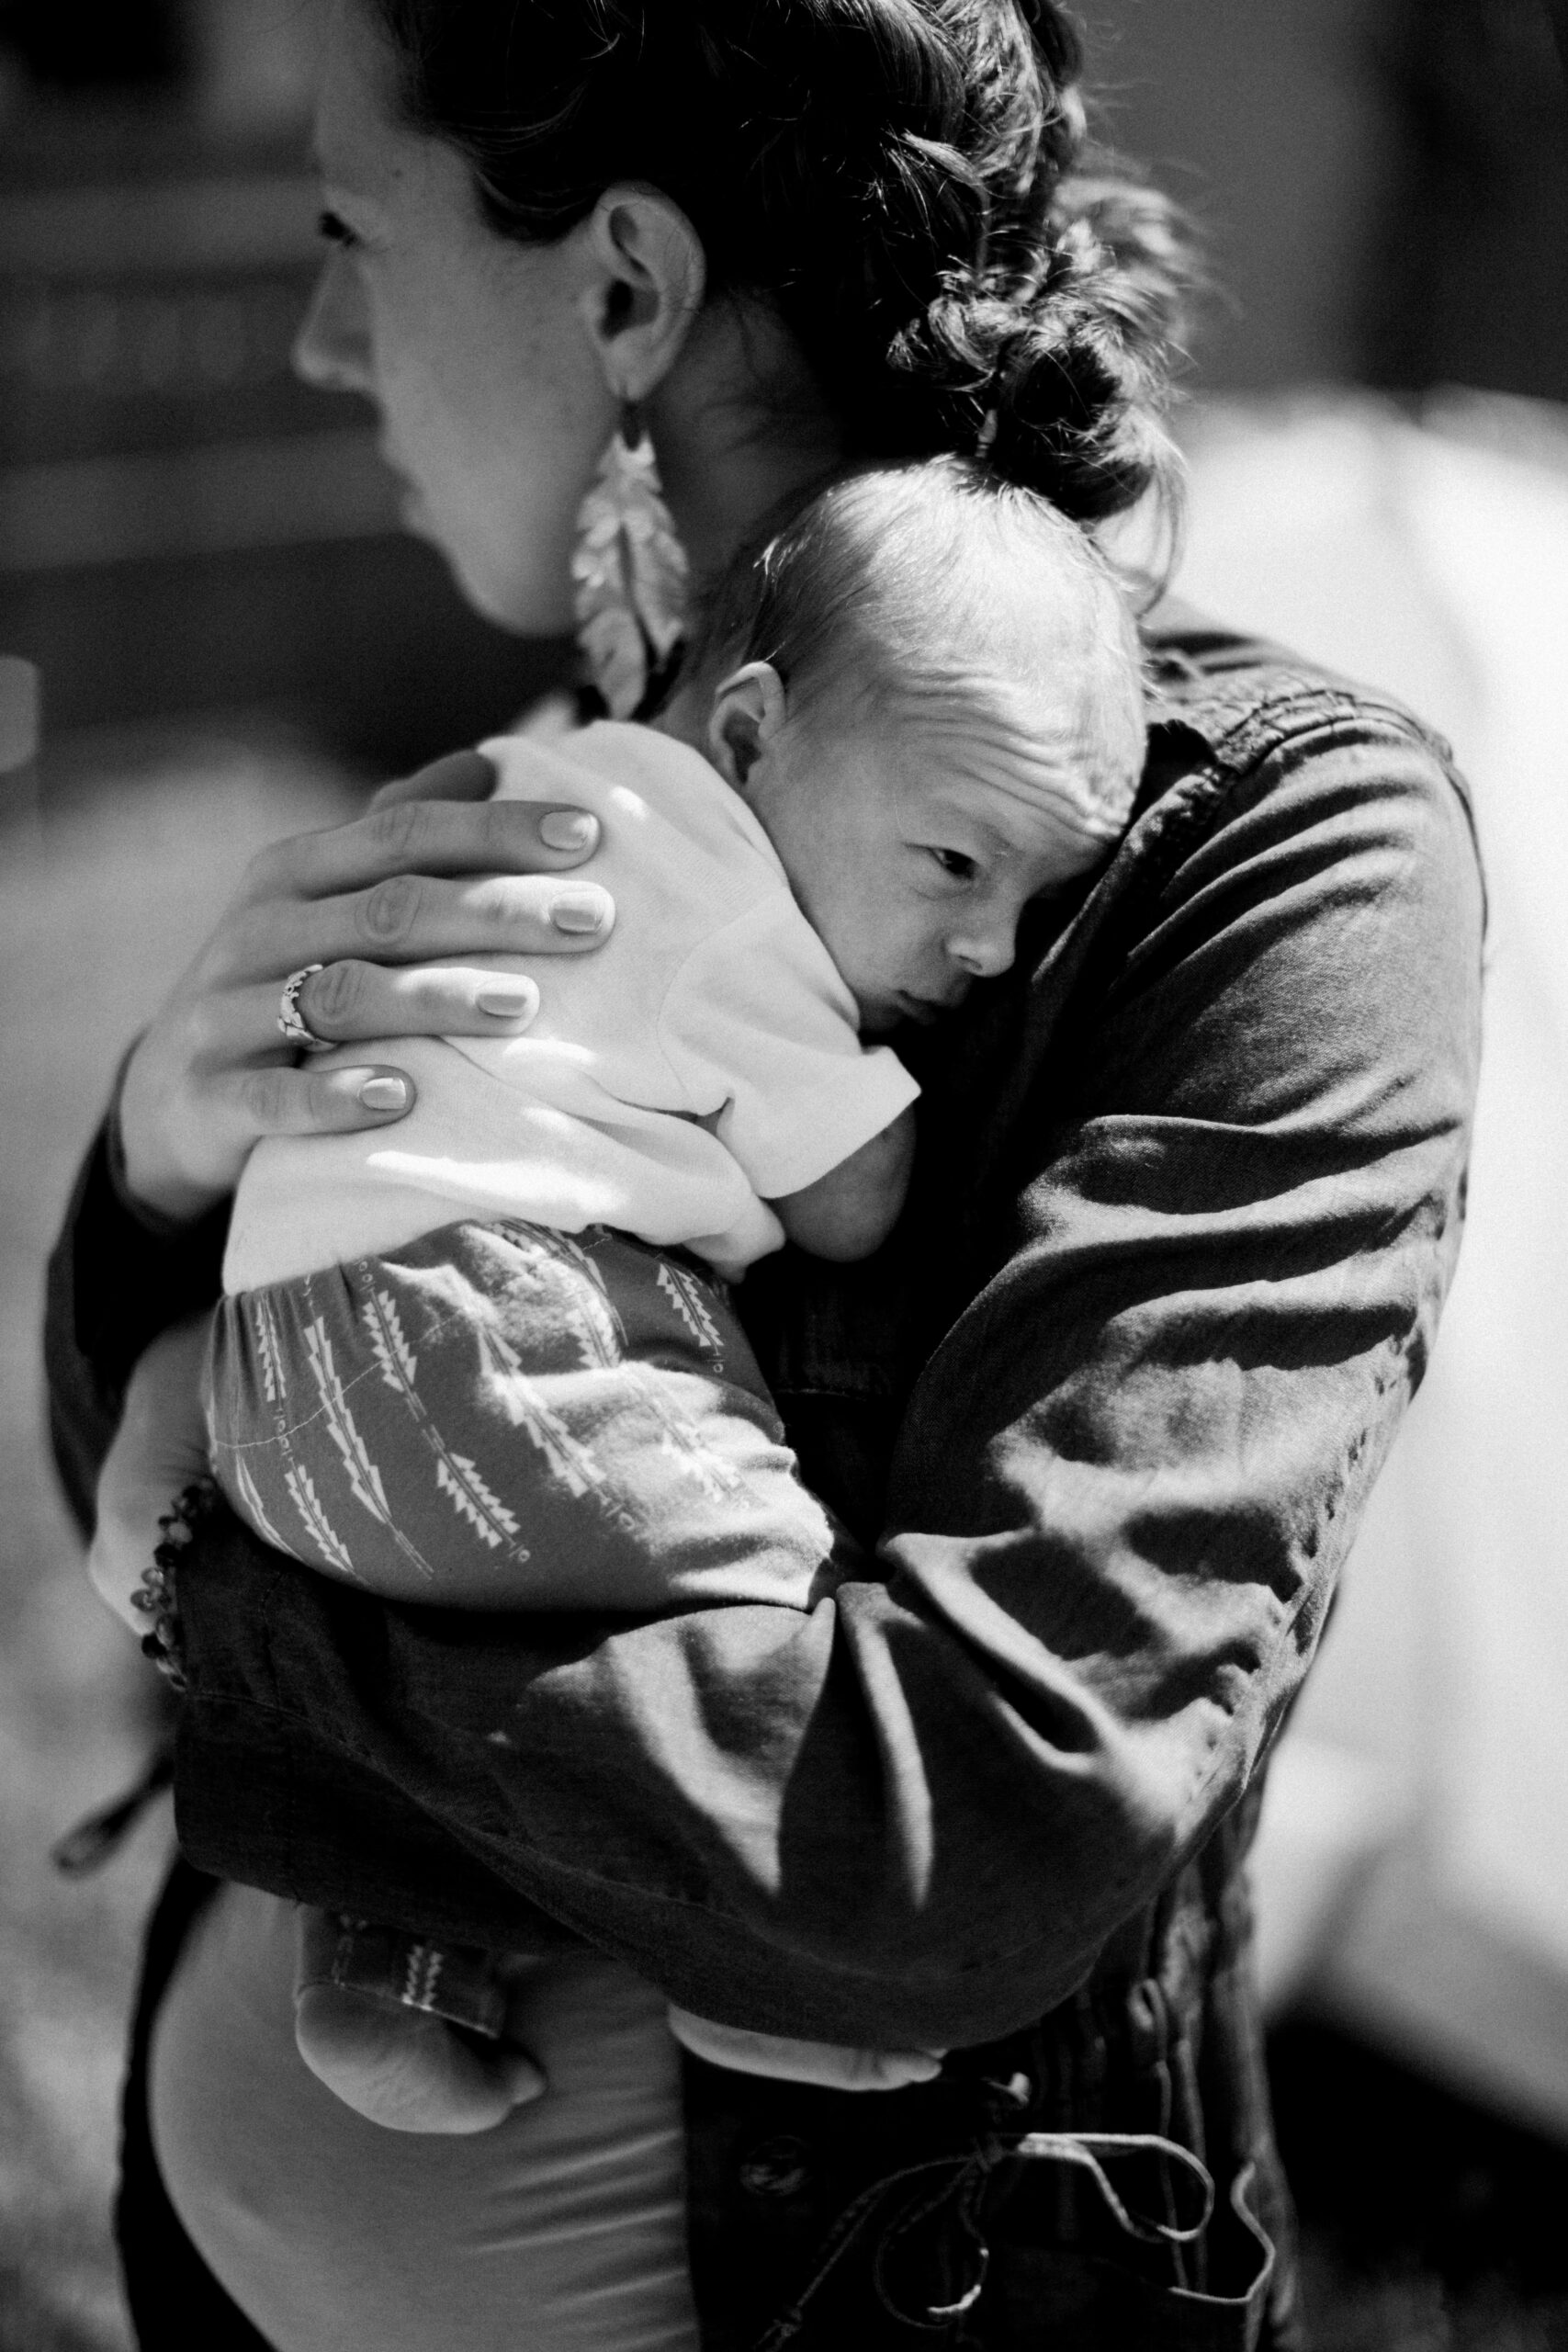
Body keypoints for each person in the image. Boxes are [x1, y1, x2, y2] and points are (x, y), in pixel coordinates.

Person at [43, 2, 1484, 2347]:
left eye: (351, 233)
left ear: (621, 283)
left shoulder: (1274, 857)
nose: (319, 338)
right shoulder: (569, 763)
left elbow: (946, 1845)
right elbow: (95, 1469)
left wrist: (240, 1576)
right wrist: (147, 1172)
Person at [85, 458, 1147, 2137]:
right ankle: (756, 1979)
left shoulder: (537, 778)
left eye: (1036, 898)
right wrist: (890, 1096)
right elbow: (858, 1208)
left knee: (482, 1630)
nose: (997, 945)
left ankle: (388, 1964)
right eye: (955, 860)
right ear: (747, 739)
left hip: (284, 1371)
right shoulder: (733, 914)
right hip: (497, 1327)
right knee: (779, 1621)